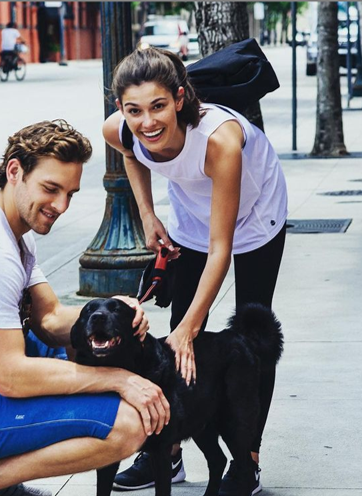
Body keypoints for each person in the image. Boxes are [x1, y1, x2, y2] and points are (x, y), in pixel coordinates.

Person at [0, 120, 171, 496]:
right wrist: (121, 379)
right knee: (129, 424)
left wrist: (114, 315)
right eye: (51, 189)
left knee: (81, 345)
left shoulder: (11, 230)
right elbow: (12, 378)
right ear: (15, 171)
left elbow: (51, 320)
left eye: (69, 193)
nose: (60, 206)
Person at [102, 47, 288, 495]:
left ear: (181, 98)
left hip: (254, 215)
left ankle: (247, 462)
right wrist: (148, 215)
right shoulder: (119, 130)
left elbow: (220, 249)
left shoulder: (219, 140)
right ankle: (165, 450)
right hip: (191, 215)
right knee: (173, 336)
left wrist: (192, 327)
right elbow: (130, 154)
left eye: (158, 106)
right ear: (120, 109)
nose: (146, 122)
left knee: (250, 338)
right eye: (134, 110)